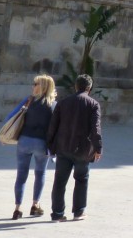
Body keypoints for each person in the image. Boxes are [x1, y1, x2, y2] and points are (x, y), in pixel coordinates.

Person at [46, 74, 102, 222]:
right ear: (89, 88)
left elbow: (53, 126)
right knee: (81, 179)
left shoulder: (63, 103)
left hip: (63, 147)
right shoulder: (93, 104)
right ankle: (79, 212)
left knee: (59, 181)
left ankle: (57, 213)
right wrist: (98, 148)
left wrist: (50, 145)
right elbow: (96, 129)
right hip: (83, 150)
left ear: (76, 86)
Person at [11, 74, 56, 219]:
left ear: (43, 86)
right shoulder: (53, 105)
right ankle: (35, 205)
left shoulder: (28, 101)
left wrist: (6, 135)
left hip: (24, 140)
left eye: (36, 84)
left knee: (21, 175)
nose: (33, 86)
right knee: (40, 173)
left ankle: (17, 208)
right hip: (42, 143)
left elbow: (11, 116)